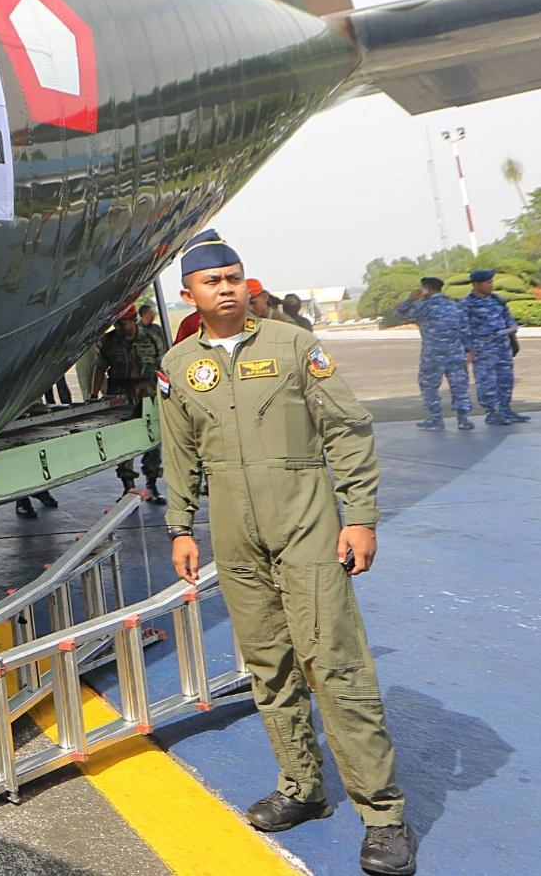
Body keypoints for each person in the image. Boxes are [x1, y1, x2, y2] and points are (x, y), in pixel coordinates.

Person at [158, 230, 416, 876]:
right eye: (212, 281)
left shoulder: (294, 345)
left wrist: (360, 516)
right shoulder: (178, 364)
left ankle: (383, 815)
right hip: (235, 536)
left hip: (306, 525)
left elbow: (347, 429)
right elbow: (179, 451)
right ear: (188, 293)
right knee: (268, 665)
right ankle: (302, 786)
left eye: (234, 277)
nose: (226, 288)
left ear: (247, 285)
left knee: (335, 664)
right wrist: (180, 526)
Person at [93, 308, 162, 500]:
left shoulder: (151, 338)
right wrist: (94, 394)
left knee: (153, 437)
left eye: (123, 324)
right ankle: (128, 486)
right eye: (116, 324)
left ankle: (152, 482)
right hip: (120, 393)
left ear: (133, 320)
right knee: (123, 440)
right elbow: (100, 368)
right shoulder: (108, 341)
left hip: (147, 391)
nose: (119, 328)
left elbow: (163, 366)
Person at [392, 278, 473, 431]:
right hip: (456, 353)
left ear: (426, 289)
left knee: (428, 385)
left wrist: (411, 299)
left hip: (433, 355)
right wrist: (468, 350)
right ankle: (463, 420)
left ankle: (435, 418)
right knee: (460, 386)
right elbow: (465, 330)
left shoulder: (423, 307)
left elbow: (399, 314)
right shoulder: (455, 306)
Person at [464, 269, 530, 423]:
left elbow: (508, 319)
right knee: (486, 382)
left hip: (503, 348)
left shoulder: (497, 300)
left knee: (506, 380)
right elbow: (462, 329)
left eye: (491, 282)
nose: (491, 285)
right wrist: (467, 350)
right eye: (488, 282)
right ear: (476, 284)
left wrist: (512, 328)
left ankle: (505, 409)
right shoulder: (466, 304)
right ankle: (492, 413)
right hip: (483, 350)